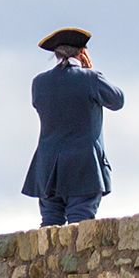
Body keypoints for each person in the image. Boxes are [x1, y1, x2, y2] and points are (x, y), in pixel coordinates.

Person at [22, 26, 124, 227]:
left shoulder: (39, 83)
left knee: (50, 225)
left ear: (56, 55)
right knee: (80, 224)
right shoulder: (91, 79)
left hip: (48, 166)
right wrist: (89, 72)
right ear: (83, 52)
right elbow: (117, 100)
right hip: (84, 166)